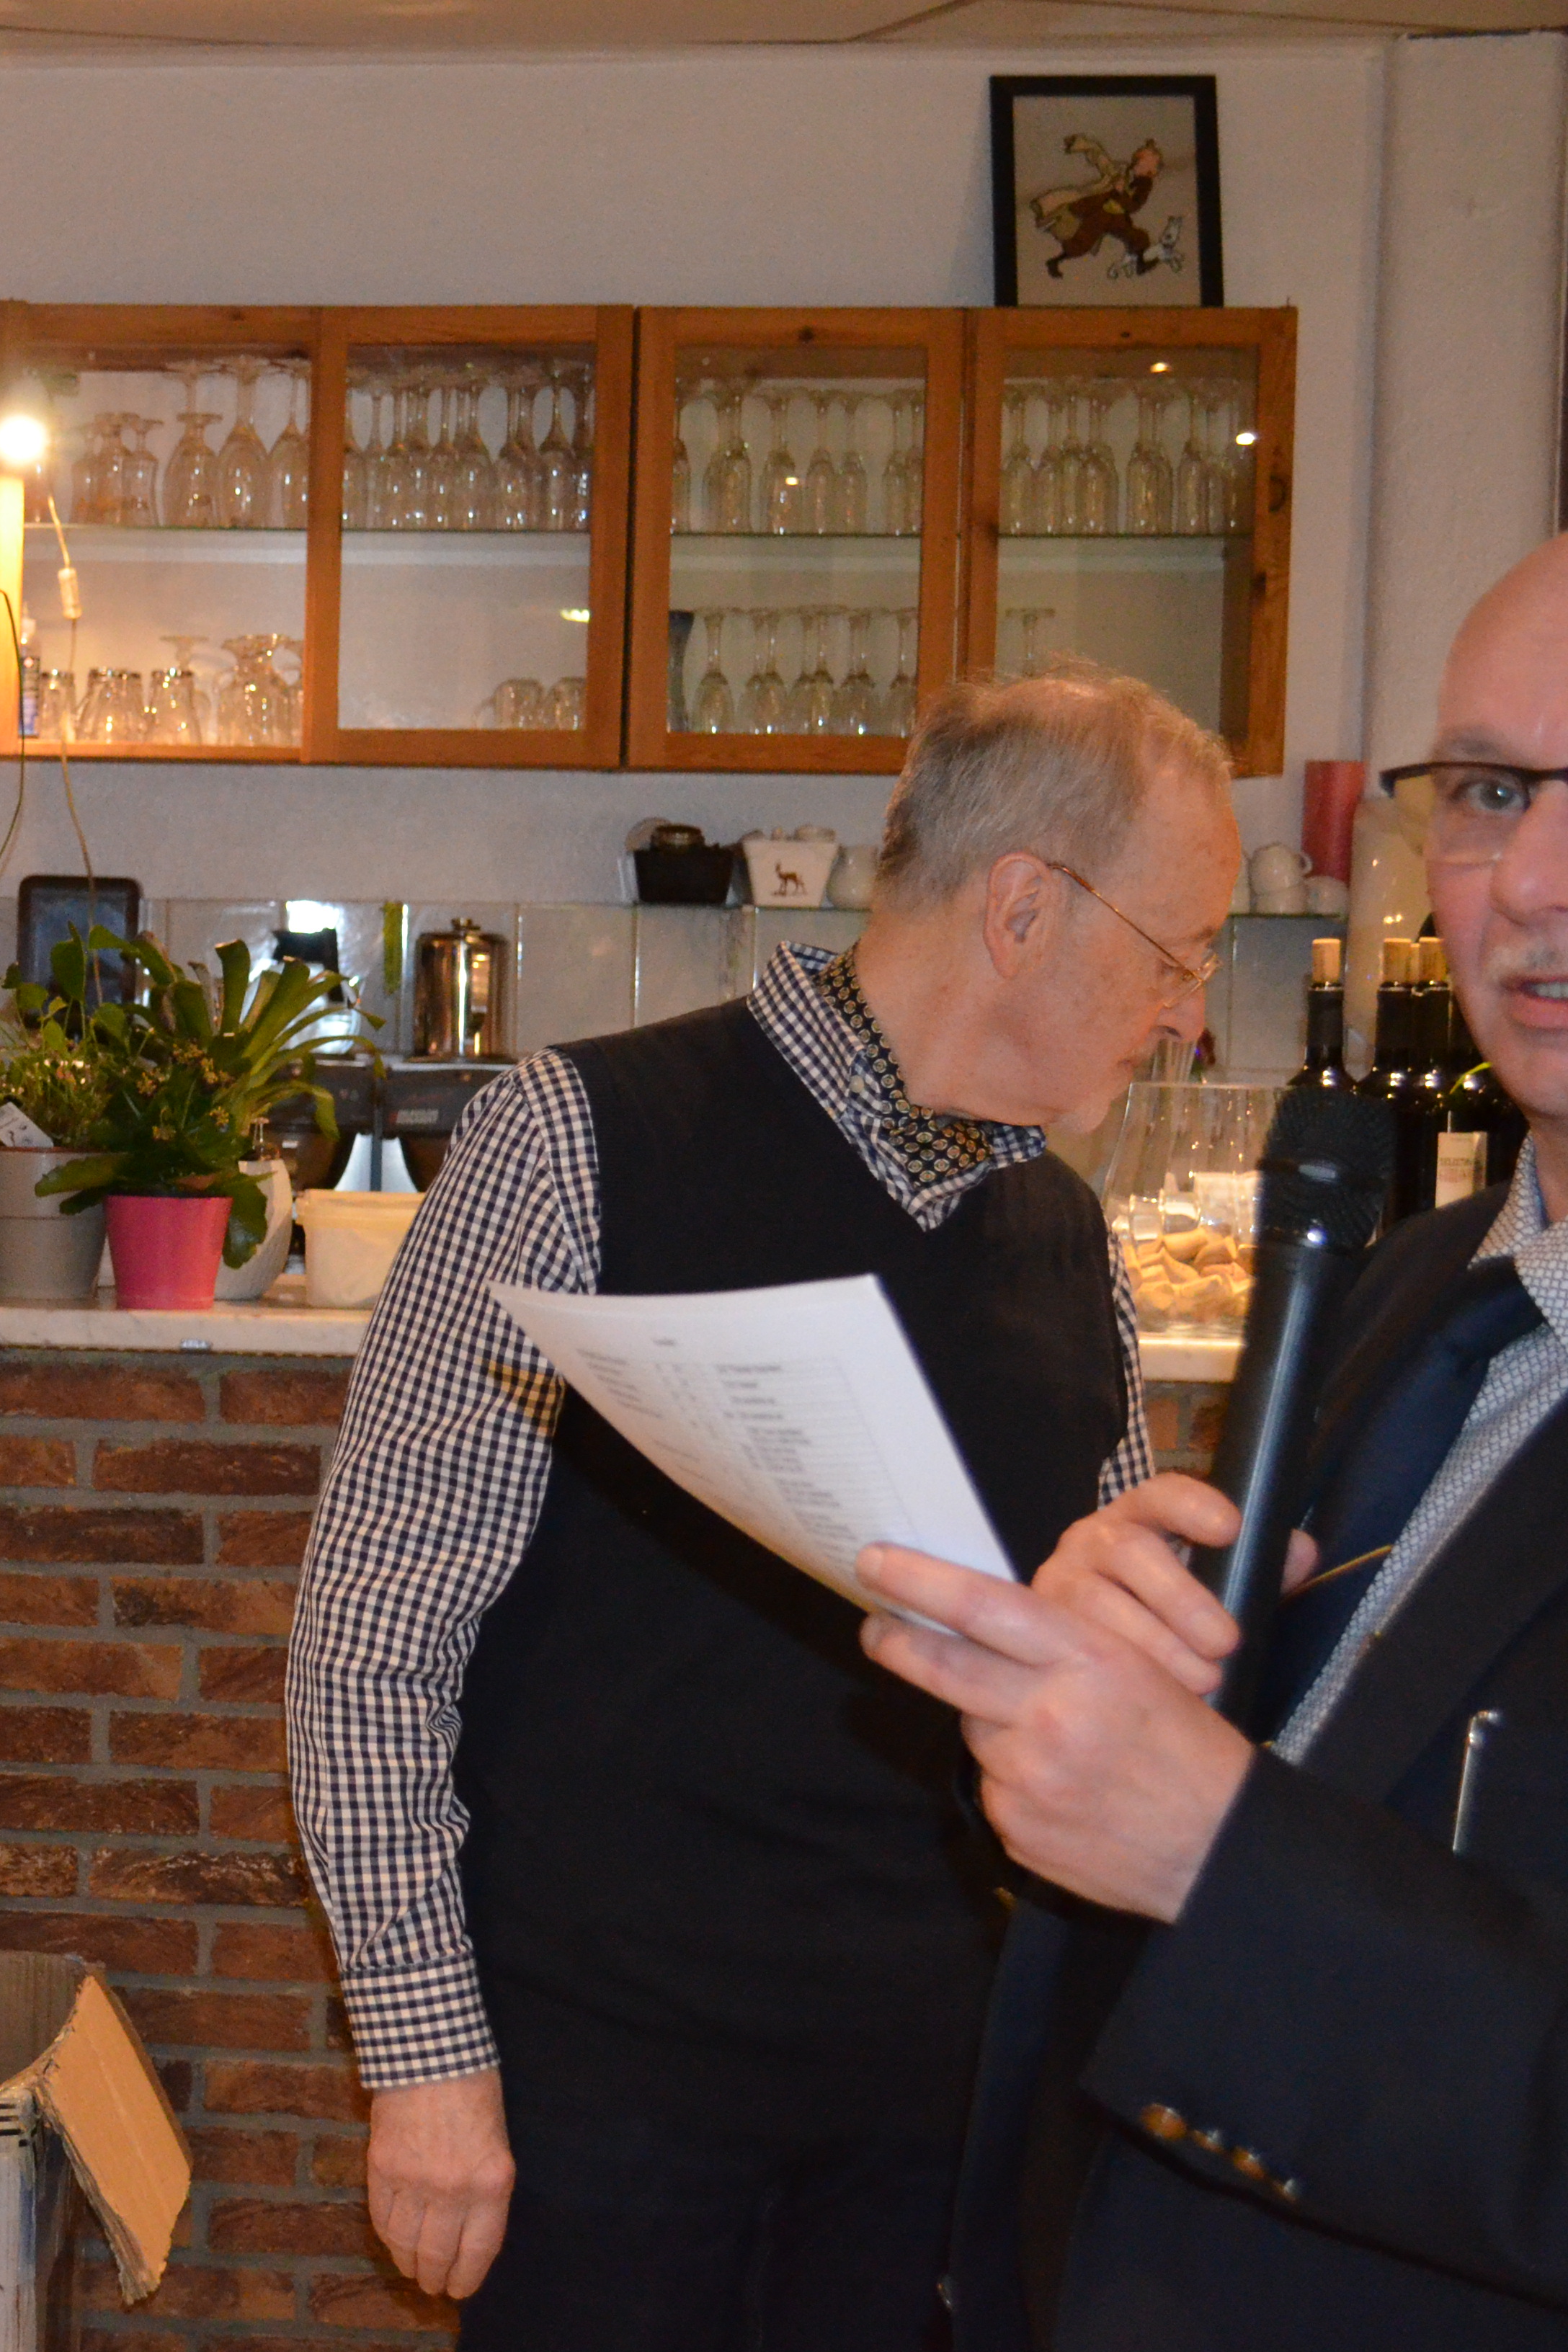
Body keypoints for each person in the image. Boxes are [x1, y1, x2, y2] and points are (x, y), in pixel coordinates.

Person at [288, 664, 1243, 2349]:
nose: (1188, 1016)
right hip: (601, 2106)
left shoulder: (1067, 1245)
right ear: (1023, 908)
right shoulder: (577, 1140)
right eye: (1176, 954)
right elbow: (372, 1645)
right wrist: (428, 2068)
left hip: (924, 2124)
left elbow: (1089, 1707)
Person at [864, 533, 1568, 2351]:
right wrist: (1101, 1694)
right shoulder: (1416, 1290)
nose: (1530, 881)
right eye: (1490, 791)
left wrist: (1211, 1848)